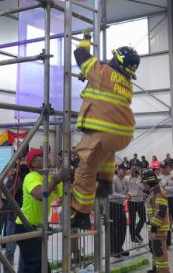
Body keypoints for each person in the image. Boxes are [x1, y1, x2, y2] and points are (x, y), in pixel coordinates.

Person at [70, 29, 140, 229]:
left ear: (117, 60)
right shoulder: (127, 83)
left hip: (103, 131)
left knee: (85, 168)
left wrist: (86, 40)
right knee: (106, 154)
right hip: (122, 134)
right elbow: (104, 80)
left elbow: (80, 54)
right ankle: (106, 183)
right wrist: (89, 75)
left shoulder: (101, 72)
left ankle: (82, 214)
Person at [15, 149, 69, 273]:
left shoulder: (48, 178)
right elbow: (40, 195)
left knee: (34, 265)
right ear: (33, 162)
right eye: (42, 155)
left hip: (38, 226)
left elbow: (65, 196)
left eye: (47, 155)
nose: (47, 157)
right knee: (37, 266)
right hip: (26, 226)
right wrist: (56, 180)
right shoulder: (31, 177)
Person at [141, 169, 170, 273]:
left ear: (150, 181)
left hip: (159, 228)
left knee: (159, 250)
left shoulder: (159, 192)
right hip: (154, 227)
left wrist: (154, 225)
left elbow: (161, 211)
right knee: (154, 249)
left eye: (144, 183)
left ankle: (163, 271)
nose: (144, 185)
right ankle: (156, 269)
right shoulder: (154, 192)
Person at [110, 165, 130, 257]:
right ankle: (113, 250)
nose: (124, 171)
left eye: (126, 170)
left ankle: (119, 248)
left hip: (120, 206)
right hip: (112, 205)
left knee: (122, 228)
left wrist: (129, 194)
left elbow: (128, 191)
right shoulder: (113, 179)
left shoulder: (126, 179)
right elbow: (111, 193)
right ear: (118, 170)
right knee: (114, 229)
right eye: (123, 170)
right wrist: (123, 196)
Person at [127, 166, 146, 243]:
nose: (134, 172)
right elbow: (127, 189)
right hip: (131, 201)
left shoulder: (140, 178)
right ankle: (132, 236)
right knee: (132, 220)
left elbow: (143, 187)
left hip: (140, 200)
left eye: (135, 171)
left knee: (143, 218)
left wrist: (139, 177)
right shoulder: (128, 178)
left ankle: (136, 232)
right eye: (132, 170)